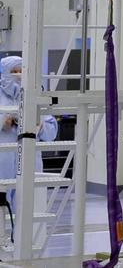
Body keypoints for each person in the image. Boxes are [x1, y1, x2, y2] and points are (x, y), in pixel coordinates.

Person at [0, 56, 59, 235]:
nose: (18, 75)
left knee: (27, 209)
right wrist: (3, 122)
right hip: (3, 163)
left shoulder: (35, 95)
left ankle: (24, 248)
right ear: (4, 74)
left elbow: (51, 130)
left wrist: (39, 126)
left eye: (21, 71)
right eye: (14, 72)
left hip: (29, 162)